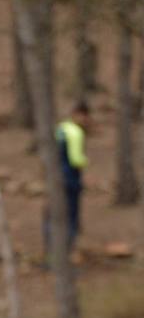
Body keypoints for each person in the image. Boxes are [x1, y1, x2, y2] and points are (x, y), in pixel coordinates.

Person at [55, 101, 90, 247]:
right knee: (72, 213)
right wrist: (85, 161)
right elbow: (75, 159)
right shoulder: (76, 132)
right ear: (79, 114)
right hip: (71, 177)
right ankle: (69, 246)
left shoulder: (61, 128)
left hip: (56, 176)